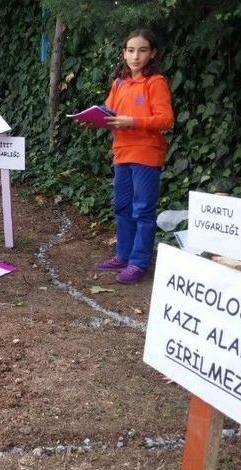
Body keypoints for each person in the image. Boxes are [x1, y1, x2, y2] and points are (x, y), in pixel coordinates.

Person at [91, 29, 174, 284]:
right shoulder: (119, 83)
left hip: (147, 154)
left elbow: (166, 119)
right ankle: (123, 255)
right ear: (123, 54)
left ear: (153, 54)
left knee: (143, 210)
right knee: (122, 207)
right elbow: (108, 113)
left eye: (142, 50)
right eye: (130, 50)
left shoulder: (155, 82)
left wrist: (132, 121)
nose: (135, 56)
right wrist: (93, 119)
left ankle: (139, 263)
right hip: (122, 153)